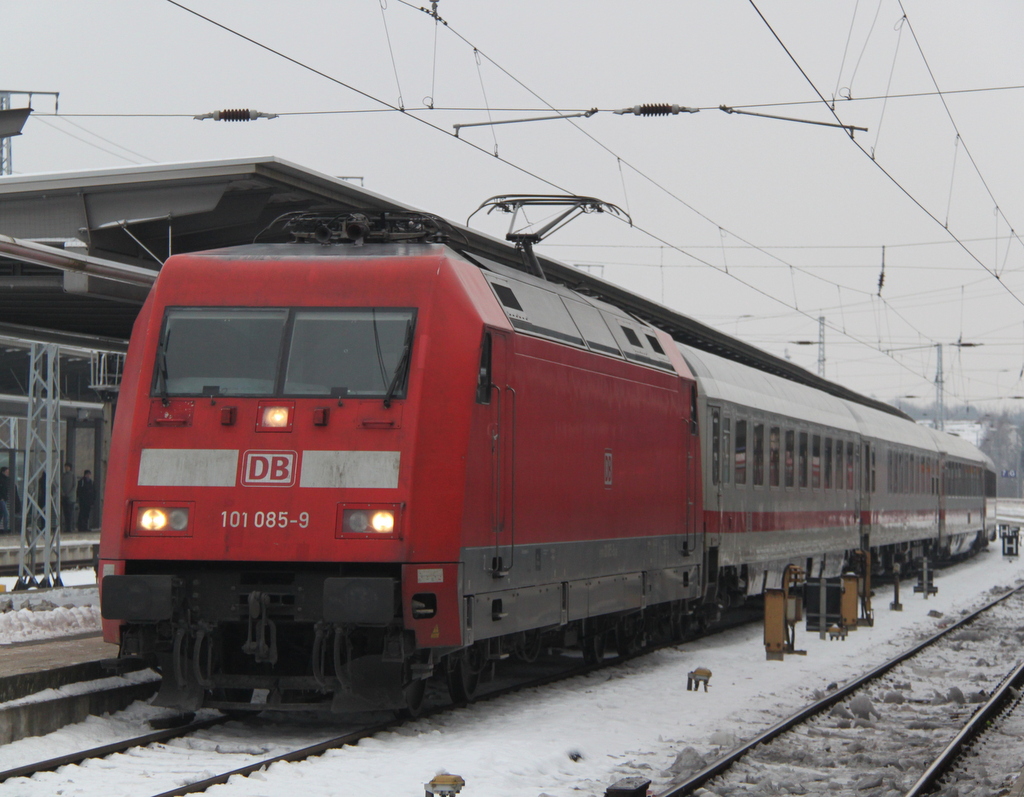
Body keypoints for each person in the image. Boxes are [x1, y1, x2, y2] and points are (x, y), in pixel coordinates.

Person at [61, 463, 75, 535]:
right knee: (65, 513)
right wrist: (63, 493)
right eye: (65, 467)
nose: (66, 468)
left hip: (71, 498)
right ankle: (66, 527)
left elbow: (74, 486)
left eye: (67, 467)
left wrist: (69, 494)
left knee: (70, 513)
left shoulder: (72, 475)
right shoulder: (63, 476)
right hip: (64, 497)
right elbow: (60, 485)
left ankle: (70, 527)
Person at [0, 466, 9, 533]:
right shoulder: (2, 479)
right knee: (6, 513)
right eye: (6, 472)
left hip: (4, 498)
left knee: (1, 514)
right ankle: (5, 529)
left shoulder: (6, 479)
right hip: (1, 499)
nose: (7, 473)